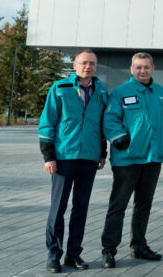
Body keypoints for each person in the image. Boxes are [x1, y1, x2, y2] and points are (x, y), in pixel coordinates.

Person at [101, 52, 163, 268]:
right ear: (131, 69)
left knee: (144, 204)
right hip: (127, 159)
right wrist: (122, 141)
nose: (142, 71)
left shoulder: (162, 94)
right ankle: (109, 249)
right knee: (118, 206)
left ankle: (139, 245)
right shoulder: (120, 92)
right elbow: (110, 120)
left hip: (153, 158)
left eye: (146, 67)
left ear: (153, 69)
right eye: (138, 67)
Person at [38, 49, 108, 273]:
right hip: (64, 157)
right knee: (58, 208)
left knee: (81, 207)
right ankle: (53, 255)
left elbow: (102, 124)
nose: (88, 67)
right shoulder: (60, 88)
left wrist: (102, 153)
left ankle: (73, 254)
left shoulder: (101, 90)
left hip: (89, 157)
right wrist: (49, 156)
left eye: (92, 63)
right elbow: (47, 123)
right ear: (75, 65)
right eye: (84, 63)